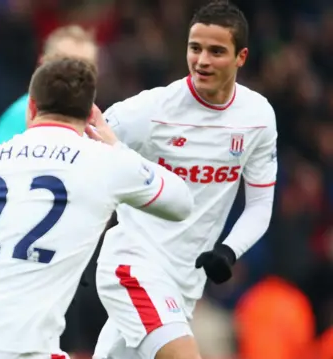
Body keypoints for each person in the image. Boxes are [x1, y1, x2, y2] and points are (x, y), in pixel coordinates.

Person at [0, 56, 194, 359]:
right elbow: (180, 203)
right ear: (89, 115)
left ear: (31, 108)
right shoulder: (105, 161)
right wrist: (115, 145)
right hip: (16, 345)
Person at [93, 1, 277, 359]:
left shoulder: (258, 117)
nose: (202, 60)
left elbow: (259, 204)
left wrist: (228, 250)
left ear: (241, 57)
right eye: (195, 48)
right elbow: (86, 148)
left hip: (184, 286)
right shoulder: (151, 109)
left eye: (216, 51)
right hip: (135, 265)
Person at [0, 25, 98, 149]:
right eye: (64, 62)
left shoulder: (102, 122)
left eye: (86, 66)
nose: (73, 75)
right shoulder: (20, 115)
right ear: (42, 64)